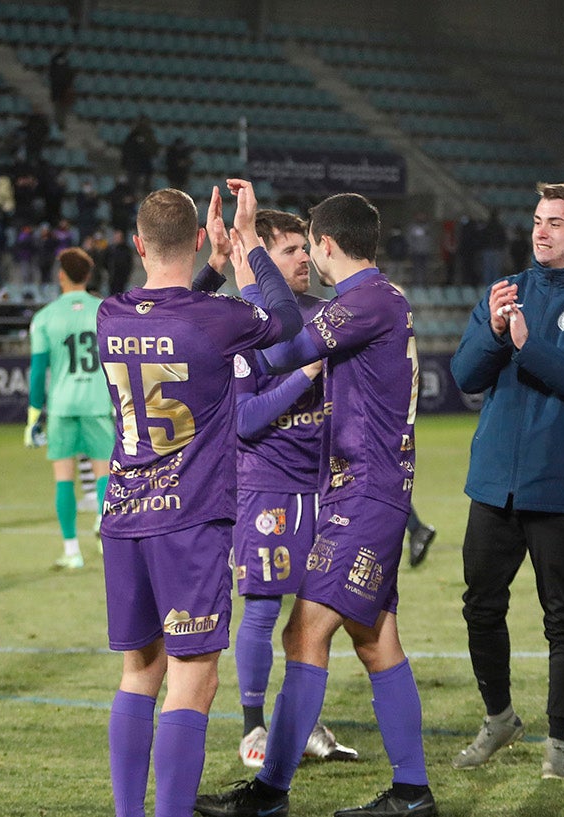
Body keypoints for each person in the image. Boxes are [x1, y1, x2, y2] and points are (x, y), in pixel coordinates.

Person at [196, 192, 434, 817]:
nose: (309, 259)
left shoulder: (365, 302)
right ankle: (412, 792)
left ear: (326, 246)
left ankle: (270, 792)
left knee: (304, 632)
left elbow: (287, 350)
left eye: (310, 246)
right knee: (376, 639)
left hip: (365, 493)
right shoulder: (383, 300)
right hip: (364, 489)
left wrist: (248, 244)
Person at [98, 181, 302, 817]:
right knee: (195, 676)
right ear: (194, 238)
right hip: (189, 521)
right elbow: (287, 320)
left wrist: (210, 266)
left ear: (136, 245)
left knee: (140, 673)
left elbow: (178, 315)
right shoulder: (217, 321)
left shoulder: (110, 313)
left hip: (124, 515)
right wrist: (243, 247)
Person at [196, 205, 356, 768]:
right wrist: (306, 373)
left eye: (304, 249)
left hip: (325, 483)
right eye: (290, 250)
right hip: (265, 485)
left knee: (318, 613)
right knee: (262, 610)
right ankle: (253, 729)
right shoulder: (237, 322)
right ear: (254, 254)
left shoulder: (323, 315)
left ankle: (303, 724)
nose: (305, 259)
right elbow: (245, 419)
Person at [449, 181, 564, 781]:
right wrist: (496, 333)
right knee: (480, 606)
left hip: (560, 486)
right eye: (537, 220)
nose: (541, 231)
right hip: (494, 483)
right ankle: (499, 717)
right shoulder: (509, 291)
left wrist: (529, 347)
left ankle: (559, 741)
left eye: (554, 221)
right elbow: (467, 375)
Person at [23, 248, 111, 570]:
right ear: (88, 276)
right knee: (105, 474)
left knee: (64, 479)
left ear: (61, 275)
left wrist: (34, 416)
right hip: (99, 403)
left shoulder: (45, 317)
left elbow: (37, 372)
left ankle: (72, 551)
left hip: (62, 406)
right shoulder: (104, 311)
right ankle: (106, 531)